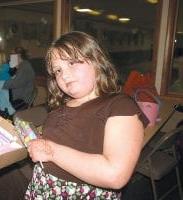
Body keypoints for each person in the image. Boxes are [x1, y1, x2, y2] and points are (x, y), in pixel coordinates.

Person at [25, 31, 149, 199]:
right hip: (41, 188)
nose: (64, 75)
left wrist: (51, 151)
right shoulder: (60, 108)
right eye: (58, 71)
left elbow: (115, 175)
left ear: (97, 61)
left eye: (72, 63)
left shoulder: (120, 105)